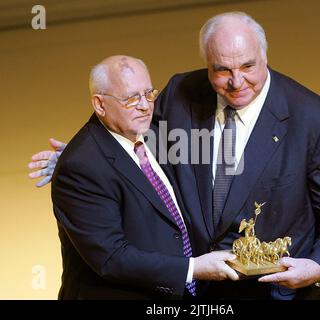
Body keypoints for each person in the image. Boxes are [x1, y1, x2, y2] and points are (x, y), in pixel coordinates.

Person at [29, 12, 320, 299]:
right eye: (222, 69)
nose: (237, 82)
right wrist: (82, 158)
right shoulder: (180, 93)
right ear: (207, 63)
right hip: (199, 292)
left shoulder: (317, 121)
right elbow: (128, 121)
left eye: (248, 66)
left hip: (279, 293)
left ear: (265, 56)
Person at [41, 55, 238, 300]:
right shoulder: (80, 166)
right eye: (132, 98)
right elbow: (112, 258)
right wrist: (193, 268)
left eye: (149, 93)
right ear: (100, 104)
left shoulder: (153, 137)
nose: (145, 105)